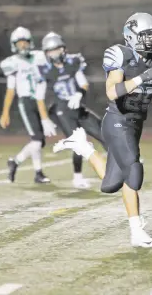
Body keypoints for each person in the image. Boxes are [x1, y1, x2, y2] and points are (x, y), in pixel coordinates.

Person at [53, 13, 152, 248]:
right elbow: (112, 92)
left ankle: (84, 147)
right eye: (146, 37)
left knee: (110, 184)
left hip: (136, 123)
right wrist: (141, 78)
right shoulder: (121, 54)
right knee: (133, 169)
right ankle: (137, 232)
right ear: (131, 36)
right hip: (117, 120)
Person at [40, 32, 107, 189]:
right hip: (60, 109)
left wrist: (79, 94)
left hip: (77, 106)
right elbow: (39, 98)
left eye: (57, 50)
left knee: (104, 133)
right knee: (79, 140)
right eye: (51, 51)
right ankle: (77, 177)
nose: (55, 54)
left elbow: (83, 83)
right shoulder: (45, 71)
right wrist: (44, 119)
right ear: (46, 54)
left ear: (63, 49)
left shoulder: (73, 62)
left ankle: (120, 166)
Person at [0, 26, 57, 184]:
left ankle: (20, 164)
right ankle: (32, 169)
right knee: (37, 140)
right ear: (14, 45)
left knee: (39, 141)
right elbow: (10, 90)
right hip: (26, 102)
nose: (23, 45)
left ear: (30, 42)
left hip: (40, 100)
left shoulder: (39, 56)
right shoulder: (12, 63)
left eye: (25, 42)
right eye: (19, 43)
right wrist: (5, 112)